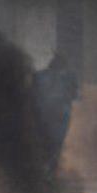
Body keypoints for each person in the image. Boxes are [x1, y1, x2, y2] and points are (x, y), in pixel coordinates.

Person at [32, 53, 79, 181]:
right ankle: (48, 175)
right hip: (60, 116)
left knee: (42, 143)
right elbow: (75, 96)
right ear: (64, 66)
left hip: (42, 115)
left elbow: (31, 96)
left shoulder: (38, 76)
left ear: (50, 63)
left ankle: (41, 174)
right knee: (55, 146)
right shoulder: (70, 78)